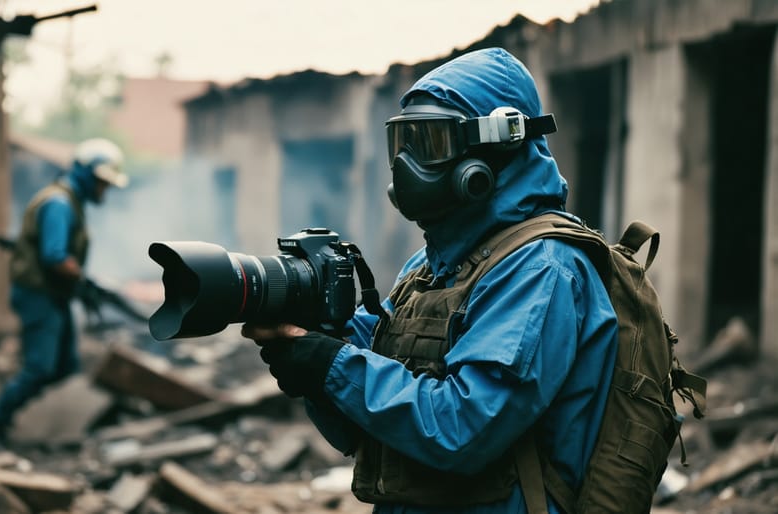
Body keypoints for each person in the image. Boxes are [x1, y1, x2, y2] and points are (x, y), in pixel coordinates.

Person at [242, 48, 619, 513]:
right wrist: (315, 345)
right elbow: (367, 424)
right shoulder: (430, 265)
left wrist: (333, 365)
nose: (406, 165)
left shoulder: (541, 267)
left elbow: (463, 429)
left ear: (496, 148)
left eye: (430, 143)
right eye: (403, 142)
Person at [0, 138, 129, 451]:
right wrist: (85, 281)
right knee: (39, 368)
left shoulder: (69, 201)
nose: (104, 190)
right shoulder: (59, 204)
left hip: (53, 296)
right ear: (86, 175)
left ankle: (46, 426)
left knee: (66, 366)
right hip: (39, 296)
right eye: (102, 183)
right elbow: (55, 256)